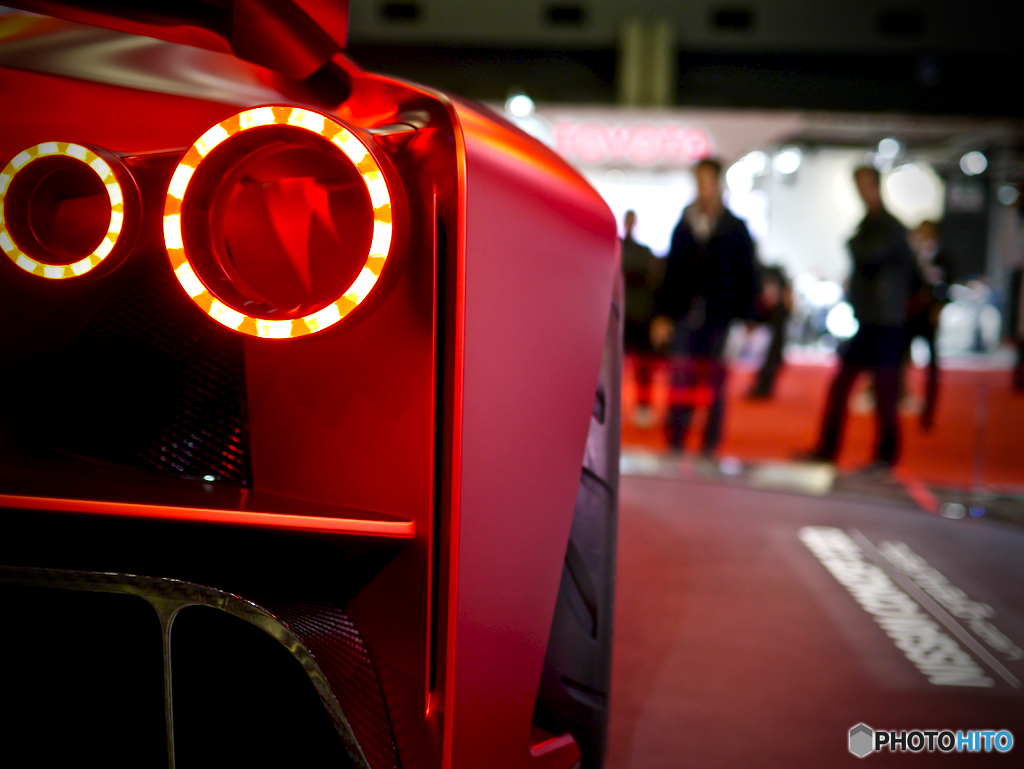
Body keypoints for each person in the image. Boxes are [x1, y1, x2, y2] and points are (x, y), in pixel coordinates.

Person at [802, 166, 917, 471]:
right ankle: (829, 450)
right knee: (843, 387)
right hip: (871, 320)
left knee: (884, 393)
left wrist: (853, 246)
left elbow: (873, 256)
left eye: (866, 185)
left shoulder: (889, 227)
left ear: (876, 186)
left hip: (886, 322)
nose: (863, 192)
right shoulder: (872, 225)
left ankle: (884, 457)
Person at [650, 158, 758, 456]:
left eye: (707, 181)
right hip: (685, 313)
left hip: (719, 317)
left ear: (718, 183)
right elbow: (670, 273)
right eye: (699, 181)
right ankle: (676, 440)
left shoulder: (735, 227)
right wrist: (661, 315)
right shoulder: (684, 224)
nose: (703, 188)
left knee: (715, 382)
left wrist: (748, 316)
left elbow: (747, 273)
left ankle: (710, 445)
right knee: (681, 377)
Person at [904, 220, 954, 429]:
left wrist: (939, 307)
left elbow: (948, 284)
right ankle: (899, 395)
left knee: (933, 364)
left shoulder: (943, 256)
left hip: (930, 316)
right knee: (899, 359)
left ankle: (929, 411)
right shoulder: (912, 255)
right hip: (911, 315)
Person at [621, 210, 664, 427]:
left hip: (640, 317)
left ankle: (644, 407)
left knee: (644, 370)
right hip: (622, 317)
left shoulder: (642, 252)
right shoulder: (618, 248)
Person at [747, 264, 793, 399]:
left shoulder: (765, 275)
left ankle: (764, 388)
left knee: (770, 356)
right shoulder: (772, 276)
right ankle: (763, 387)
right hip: (773, 323)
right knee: (769, 355)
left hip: (775, 322)